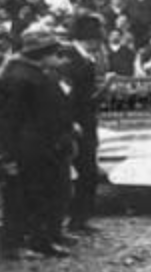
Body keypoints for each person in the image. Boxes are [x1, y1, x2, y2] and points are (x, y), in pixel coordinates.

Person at [0, 28, 74, 258]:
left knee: (43, 195)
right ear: (42, 53)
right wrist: (7, 155)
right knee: (20, 197)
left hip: (44, 145)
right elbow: (8, 120)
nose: (57, 57)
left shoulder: (38, 73)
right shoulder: (19, 77)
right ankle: (14, 244)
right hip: (26, 148)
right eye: (53, 52)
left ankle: (41, 240)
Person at [59, 13, 107, 233]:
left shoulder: (85, 59)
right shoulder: (70, 60)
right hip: (76, 124)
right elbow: (65, 97)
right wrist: (70, 121)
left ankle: (81, 217)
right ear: (91, 39)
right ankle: (73, 218)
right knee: (79, 171)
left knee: (87, 171)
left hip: (86, 121)